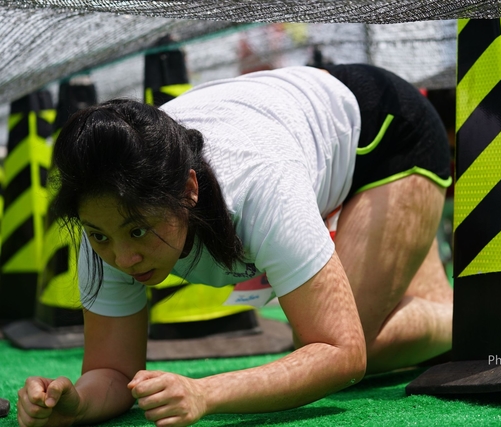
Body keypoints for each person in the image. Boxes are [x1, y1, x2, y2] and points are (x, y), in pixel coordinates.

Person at [17, 64, 453, 427]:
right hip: (302, 124)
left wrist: (206, 392)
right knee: (389, 323)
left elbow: (341, 352)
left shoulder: (259, 188)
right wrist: (76, 403)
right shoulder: (105, 210)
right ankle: (445, 306)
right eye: (100, 237)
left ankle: (471, 321)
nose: (122, 258)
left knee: (361, 344)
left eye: (138, 231)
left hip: (387, 134)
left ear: (189, 189)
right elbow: (112, 370)